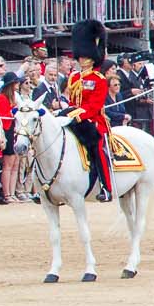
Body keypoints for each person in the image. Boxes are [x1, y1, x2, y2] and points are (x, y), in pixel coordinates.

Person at [62, 18, 113, 199]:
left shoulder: (98, 78)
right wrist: (66, 112)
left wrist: (76, 115)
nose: (82, 59)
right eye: (81, 56)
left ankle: (106, 187)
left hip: (93, 120)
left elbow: (94, 106)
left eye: (86, 57)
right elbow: (72, 101)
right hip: (75, 117)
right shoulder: (74, 77)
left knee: (96, 148)